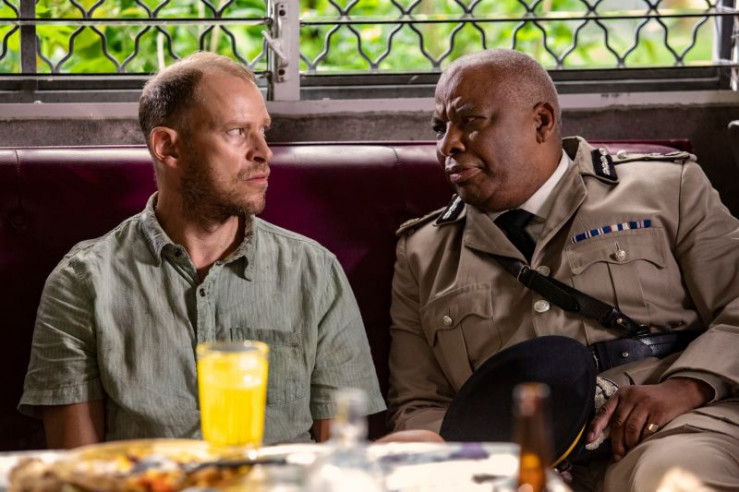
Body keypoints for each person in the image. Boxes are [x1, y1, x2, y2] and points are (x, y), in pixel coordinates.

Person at [387, 49, 739, 491]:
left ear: (542, 121)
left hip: (670, 430)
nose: (447, 145)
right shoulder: (422, 251)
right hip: (514, 465)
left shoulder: (666, 189)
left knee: (673, 481)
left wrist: (687, 387)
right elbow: (419, 402)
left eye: (470, 121)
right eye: (440, 128)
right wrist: (494, 464)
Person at [19, 52, 386, 449]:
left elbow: (342, 455)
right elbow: (79, 467)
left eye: (263, 130)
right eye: (237, 131)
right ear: (168, 147)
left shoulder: (314, 271)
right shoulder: (81, 283)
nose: (264, 152)